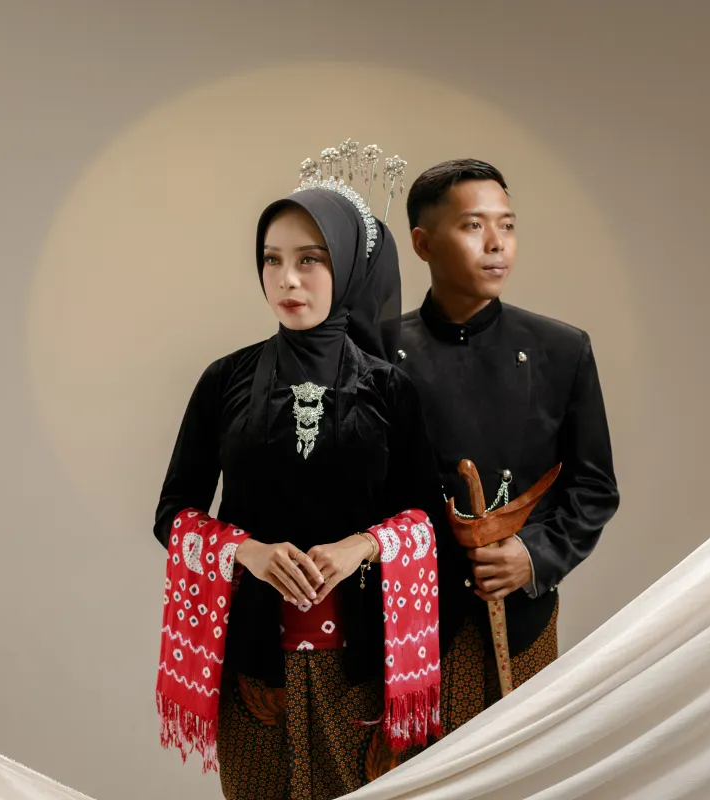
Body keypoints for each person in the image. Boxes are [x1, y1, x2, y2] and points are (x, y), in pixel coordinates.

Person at [153, 169, 449, 800]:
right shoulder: (224, 380)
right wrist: (246, 552)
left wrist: (361, 547)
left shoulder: (389, 389)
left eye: (309, 260)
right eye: (272, 260)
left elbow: (427, 520)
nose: (287, 280)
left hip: (362, 671)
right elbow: (173, 513)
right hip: (253, 668)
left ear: (348, 266)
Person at [395, 158, 620, 734]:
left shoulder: (561, 349)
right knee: (411, 773)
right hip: (407, 621)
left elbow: (594, 487)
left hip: (518, 619)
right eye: (473, 226)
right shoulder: (376, 350)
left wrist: (534, 555)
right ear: (423, 243)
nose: (497, 244)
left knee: (518, 767)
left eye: (508, 225)